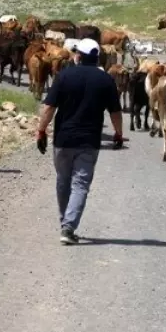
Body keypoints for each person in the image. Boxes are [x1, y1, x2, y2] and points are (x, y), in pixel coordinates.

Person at [35, 38, 124, 245]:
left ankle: (65, 223)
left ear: (78, 56)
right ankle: (68, 226)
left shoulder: (63, 76)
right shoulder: (105, 80)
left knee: (63, 180)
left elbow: (49, 108)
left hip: (63, 139)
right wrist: (118, 133)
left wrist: (41, 131)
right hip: (89, 141)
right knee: (80, 184)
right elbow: (116, 112)